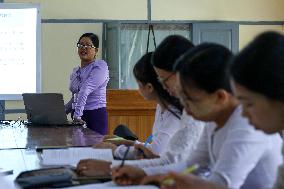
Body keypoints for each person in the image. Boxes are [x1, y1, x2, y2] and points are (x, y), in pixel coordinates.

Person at [111, 43, 282, 189]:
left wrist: (172, 179)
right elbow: (192, 165)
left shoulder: (247, 122)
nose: (185, 107)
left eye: (189, 99)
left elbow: (222, 184)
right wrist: (143, 172)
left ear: (220, 97)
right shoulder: (213, 118)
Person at [76, 52, 183, 176]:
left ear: (149, 87)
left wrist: (116, 151)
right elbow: (154, 149)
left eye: (138, 84)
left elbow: (156, 154)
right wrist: (127, 142)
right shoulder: (161, 107)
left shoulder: (175, 114)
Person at [65, 33, 109, 134]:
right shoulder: (76, 71)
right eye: (80, 45)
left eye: (88, 45)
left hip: (94, 115)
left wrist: (77, 116)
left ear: (96, 50)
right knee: (78, 149)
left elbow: (85, 90)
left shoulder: (100, 67)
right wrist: (59, 113)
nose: (83, 48)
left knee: (94, 148)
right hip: (78, 115)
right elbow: (75, 97)